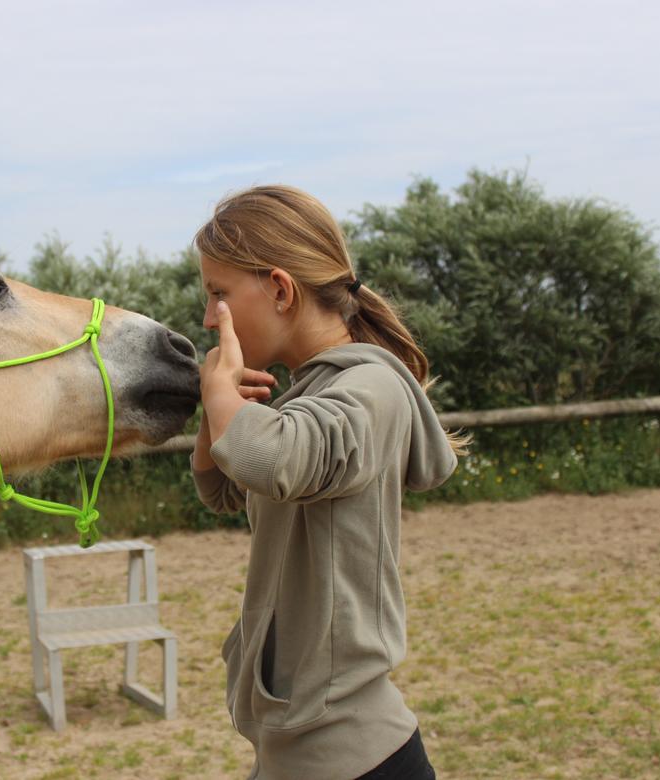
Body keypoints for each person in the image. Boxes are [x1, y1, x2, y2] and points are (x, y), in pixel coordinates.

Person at [190, 185, 467, 780]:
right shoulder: (310, 395)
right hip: (298, 751)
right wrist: (216, 414)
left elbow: (279, 462)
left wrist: (220, 398)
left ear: (281, 290)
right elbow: (224, 491)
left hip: (352, 756)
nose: (210, 317)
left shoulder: (371, 389)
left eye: (219, 295)